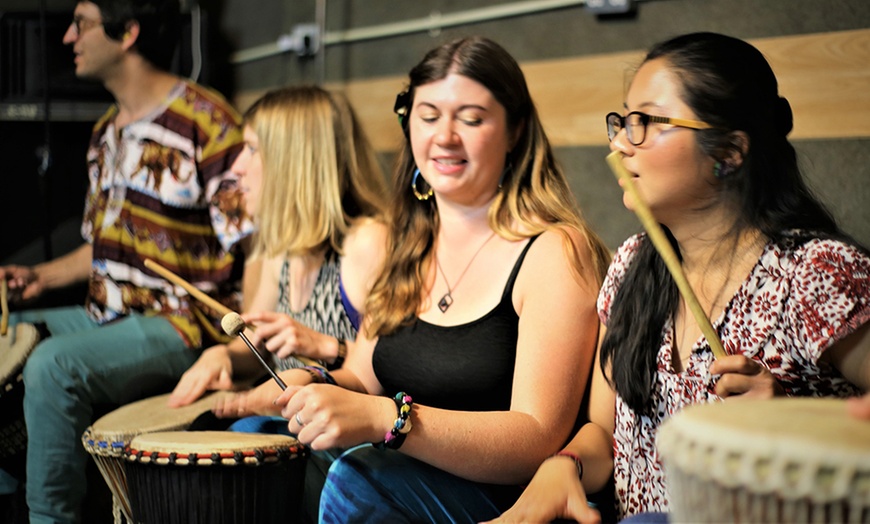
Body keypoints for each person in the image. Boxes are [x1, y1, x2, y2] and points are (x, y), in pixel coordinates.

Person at [216, 36, 611, 523]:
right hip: (402, 468)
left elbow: (536, 438)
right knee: (258, 436)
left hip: (513, 498)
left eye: (470, 118)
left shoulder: (553, 251)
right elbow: (362, 375)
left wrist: (391, 420)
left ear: (515, 131)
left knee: (357, 478)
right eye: (428, 116)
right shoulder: (407, 243)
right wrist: (315, 382)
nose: (444, 137)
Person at [488, 32, 870, 523]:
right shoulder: (630, 265)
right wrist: (566, 464)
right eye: (623, 121)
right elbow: (603, 434)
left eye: (645, 121)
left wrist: (793, 419)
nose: (622, 144)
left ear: (729, 152)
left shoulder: (817, 273)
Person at [0, 1, 255, 522]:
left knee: (53, 365)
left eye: (82, 24)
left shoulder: (206, 122)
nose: (68, 38)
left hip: (180, 323)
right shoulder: (106, 134)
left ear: (128, 32)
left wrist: (239, 350)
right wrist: (38, 277)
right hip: (105, 312)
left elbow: (254, 245)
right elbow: (105, 246)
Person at [167, 85, 389, 522]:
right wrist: (227, 355)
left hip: (347, 441)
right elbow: (261, 350)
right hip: (291, 429)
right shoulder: (278, 248)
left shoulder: (366, 244)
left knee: (244, 442)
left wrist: (326, 349)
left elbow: (387, 373)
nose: (237, 167)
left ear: (293, 161)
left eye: (251, 149)